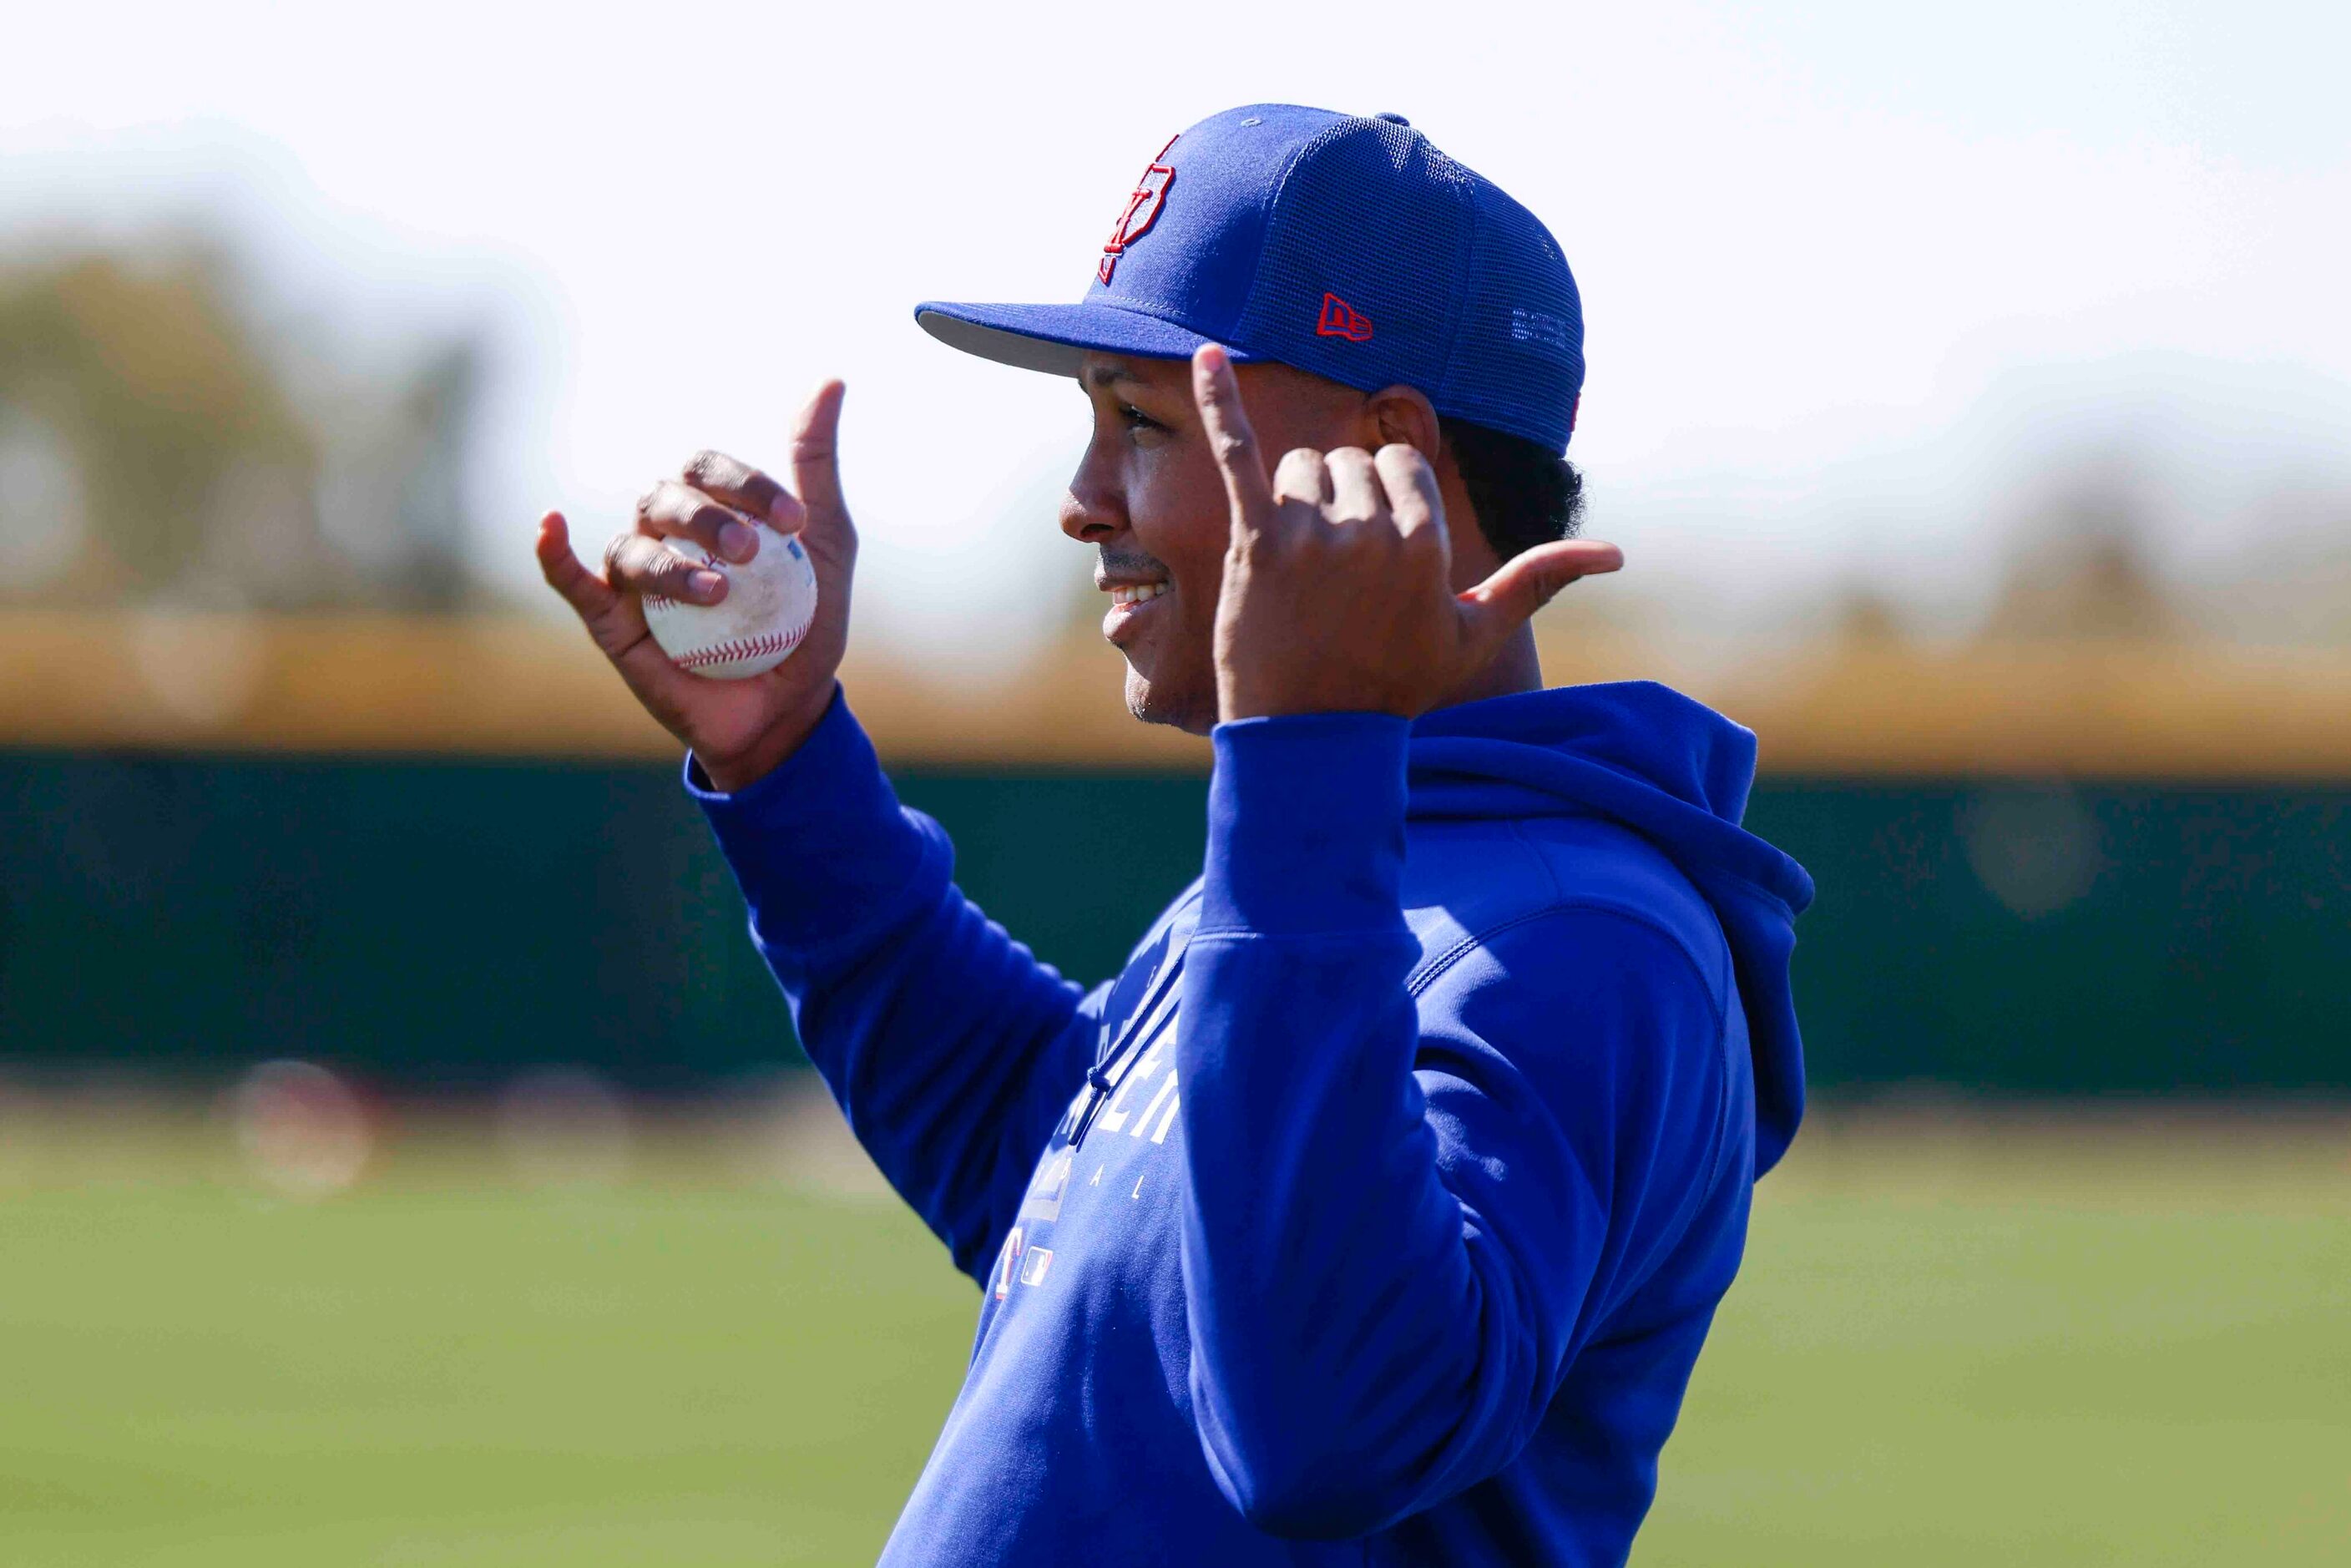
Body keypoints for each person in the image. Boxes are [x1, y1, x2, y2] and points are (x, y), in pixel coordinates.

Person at [536, 104, 1813, 1567]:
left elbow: (1326, 1429)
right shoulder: (1337, 864)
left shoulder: (1584, 939)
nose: (1085, 500)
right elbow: (1049, 1165)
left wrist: (1308, 769)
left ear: (1380, 462)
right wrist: (786, 765)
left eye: (1141, 422)